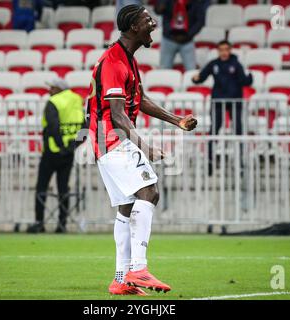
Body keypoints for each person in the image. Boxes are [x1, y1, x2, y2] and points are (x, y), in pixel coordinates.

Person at [86, 4, 197, 296]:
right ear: (134, 26)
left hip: (105, 139)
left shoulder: (127, 59)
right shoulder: (113, 61)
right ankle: (139, 268)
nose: (154, 25)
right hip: (110, 137)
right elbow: (118, 114)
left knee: (126, 207)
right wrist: (143, 146)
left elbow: (142, 100)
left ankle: (121, 278)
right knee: (150, 191)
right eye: (148, 20)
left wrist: (177, 121)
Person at [27, 78, 85, 234]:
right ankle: (62, 224)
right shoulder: (77, 100)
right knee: (63, 189)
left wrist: (60, 146)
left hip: (52, 152)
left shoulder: (54, 101)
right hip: (69, 153)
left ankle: (39, 223)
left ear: (59, 89)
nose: (49, 91)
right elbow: (84, 125)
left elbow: (53, 127)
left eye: (52, 88)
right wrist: (72, 147)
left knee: (41, 187)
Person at [192, 40, 252, 172]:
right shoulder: (214, 64)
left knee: (238, 130)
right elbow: (201, 76)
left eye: (226, 49)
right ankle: (210, 162)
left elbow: (244, 81)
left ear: (230, 50)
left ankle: (240, 163)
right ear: (218, 51)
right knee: (214, 130)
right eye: (221, 50)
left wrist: (250, 77)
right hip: (218, 101)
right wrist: (195, 79)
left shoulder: (236, 64)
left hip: (235, 101)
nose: (224, 52)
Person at [154, 0, 207, 71]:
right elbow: (158, 11)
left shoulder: (195, 2)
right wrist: (172, 33)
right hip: (169, 39)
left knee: (191, 70)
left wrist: (188, 35)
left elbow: (200, 22)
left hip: (187, 40)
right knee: (164, 69)